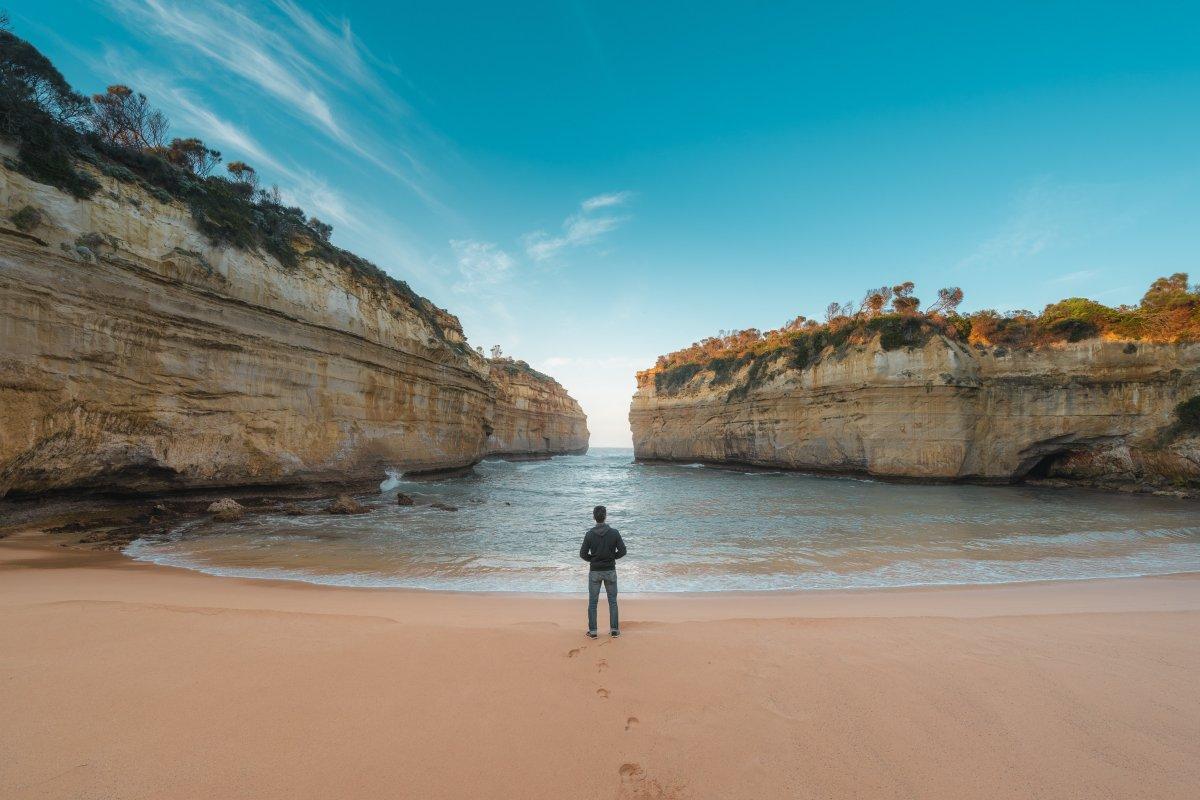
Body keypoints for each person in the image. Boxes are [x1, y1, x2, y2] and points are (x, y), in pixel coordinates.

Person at [579, 505, 626, 638]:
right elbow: (623, 551)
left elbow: (582, 554)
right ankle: (614, 630)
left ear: (594, 517)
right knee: (613, 601)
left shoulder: (589, 534)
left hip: (595, 571)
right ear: (605, 516)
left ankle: (593, 631)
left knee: (593, 602)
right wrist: (611, 558)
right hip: (610, 570)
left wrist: (593, 560)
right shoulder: (614, 533)